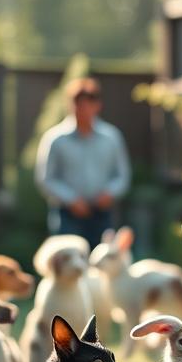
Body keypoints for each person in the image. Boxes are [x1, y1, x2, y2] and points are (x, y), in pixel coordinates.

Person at [34, 76, 131, 246]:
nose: (83, 110)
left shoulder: (111, 137)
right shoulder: (55, 139)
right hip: (68, 214)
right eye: (79, 105)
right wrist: (71, 199)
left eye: (88, 105)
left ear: (97, 106)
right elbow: (46, 178)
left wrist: (109, 192)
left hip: (102, 213)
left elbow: (122, 175)